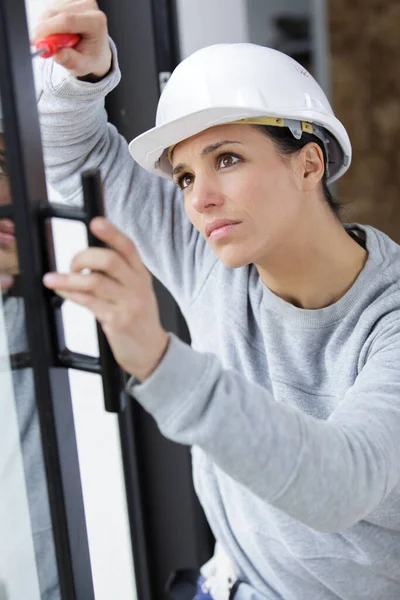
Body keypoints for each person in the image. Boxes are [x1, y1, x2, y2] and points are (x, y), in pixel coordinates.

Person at [35, 2, 400, 599]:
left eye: (226, 159)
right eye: (183, 177)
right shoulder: (211, 257)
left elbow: (343, 483)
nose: (199, 198)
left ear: (309, 164)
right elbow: (75, 152)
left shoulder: (389, 323)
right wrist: (83, 76)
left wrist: (157, 358)